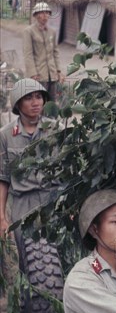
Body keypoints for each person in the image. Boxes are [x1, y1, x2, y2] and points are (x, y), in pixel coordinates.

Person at [0, 79, 57, 256]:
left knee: (56, 254)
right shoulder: (6, 135)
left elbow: (68, 171)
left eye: (39, 97)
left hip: (52, 199)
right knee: (29, 256)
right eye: (29, 98)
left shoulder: (56, 129)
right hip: (22, 203)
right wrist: (2, 217)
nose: (35, 103)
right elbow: (3, 179)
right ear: (18, 103)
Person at [23, 2, 64, 102]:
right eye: (42, 13)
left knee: (52, 102)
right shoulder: (29, 31)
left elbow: (55, 52)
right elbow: (28, 54)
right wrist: (33, 73)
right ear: (36, 15)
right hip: (39, 75)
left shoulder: (52, 31)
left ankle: (51, 118)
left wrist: (59, 71)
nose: (45, 15)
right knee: (39, 102)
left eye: (47, 13)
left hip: (52, 74)